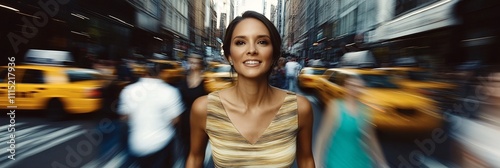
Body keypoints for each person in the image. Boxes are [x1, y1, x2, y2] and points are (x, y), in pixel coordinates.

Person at [186, 11, 315, 168]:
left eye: (262, 42)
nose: (252, 50)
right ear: (229, 56)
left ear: (274, 54)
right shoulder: (204, 109)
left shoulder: (299, 108)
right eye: (240, 42)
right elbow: (194, 159)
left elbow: (307, 161)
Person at [118, 61, 184, 168]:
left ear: (144, 72)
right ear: (161, 73)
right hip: (162, 143)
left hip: (137, 144)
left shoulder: (128, 91)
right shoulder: (169, 91)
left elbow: (124, 117)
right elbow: (176, 119)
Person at [314, 76, 388, 168]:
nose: (354, 89)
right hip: (338, 162)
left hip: (361, 162)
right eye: (352, 85)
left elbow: (371, 140)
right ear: (346, 86)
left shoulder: (365, 110)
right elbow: (323, 137)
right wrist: (317, 162)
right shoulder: (335, 107)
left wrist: (382, 163)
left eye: (358, 86)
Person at [176, 53, 208, 164]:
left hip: (199, 121)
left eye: (194, 62)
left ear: (200, 64)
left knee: (198, 151)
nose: (192, 65)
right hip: (185, 120)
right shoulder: (183, 79)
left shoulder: (206, 80)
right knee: (185, 150)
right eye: (190, 62)